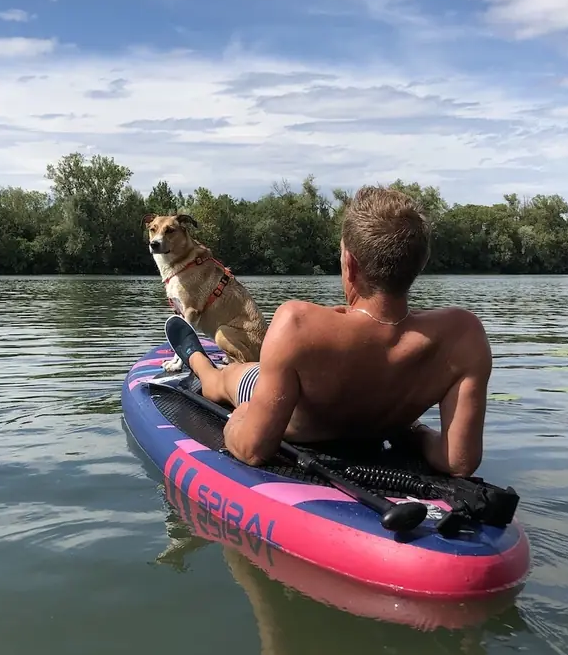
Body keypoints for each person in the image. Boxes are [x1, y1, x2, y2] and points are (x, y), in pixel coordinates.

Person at [164, 185, 492, 478]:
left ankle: (197, 360)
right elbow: (458, 461)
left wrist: (239, 419)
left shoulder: (297, 323)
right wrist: (413, 431)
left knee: (227, 377)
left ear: (349, 263)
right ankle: (196, 357)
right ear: (420, 262)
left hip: (287, 414)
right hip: (381, 422)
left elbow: (252, 450)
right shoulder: (463, 335)